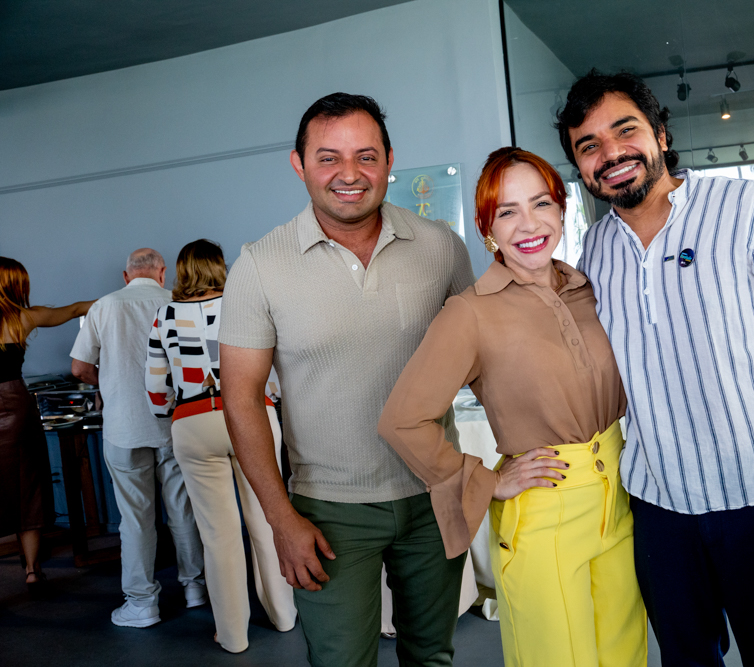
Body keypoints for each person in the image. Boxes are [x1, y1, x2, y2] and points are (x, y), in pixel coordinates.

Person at [557, 70, 754, 667]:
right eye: (587, 146)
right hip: (659, 510)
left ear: (661, 136)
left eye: (625, 131)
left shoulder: (751, 208)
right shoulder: (593, 254)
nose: (610, 154)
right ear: (580, 167)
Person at [219, 92, 475, 667]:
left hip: (436, 496)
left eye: (365, 156)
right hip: (327, 511)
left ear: (389, 160)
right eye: (328, 157)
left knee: (432, 656)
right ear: (299, 163)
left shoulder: (440, 248)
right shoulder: (259, 265)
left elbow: (485, 363)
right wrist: (281, 519)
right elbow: (240, 400)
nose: (349, 174)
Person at [379, 147, 647, 667]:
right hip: (545, 508)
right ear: (487, 229)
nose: (529, 223)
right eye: (507, 211)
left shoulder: (590, 289)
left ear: (562, 211)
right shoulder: (470, 313)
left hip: (621, 499)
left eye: (541, 203)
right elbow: (402, 420)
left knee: (625, 654)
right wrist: (487, 480)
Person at [144, 240, 296, 653]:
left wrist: (174, 409)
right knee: (266, 519)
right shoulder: (243, 305)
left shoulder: (164, 317)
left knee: (218, 535)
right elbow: (276, 375)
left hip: (192, 423)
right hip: (251, 415)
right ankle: (283, 614)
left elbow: (156, 392)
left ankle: (232, 635)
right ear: (220, 268)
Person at [70, 248, 205, 628]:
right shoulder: (178, 303)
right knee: (183, 508)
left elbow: (80, 368)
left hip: (123, 426)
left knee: (134, 519)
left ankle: (142, 602)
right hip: (175, 424)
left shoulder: (104, 306)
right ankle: (194, 587)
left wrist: (107, 383)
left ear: (126, 275)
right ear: (162, 273)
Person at [1, 257, 94, 590]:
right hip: (15, 405)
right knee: (28, 486)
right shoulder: (23, 319)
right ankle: (30, 569)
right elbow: (73, 310)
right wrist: (120, 300)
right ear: (15, 284)